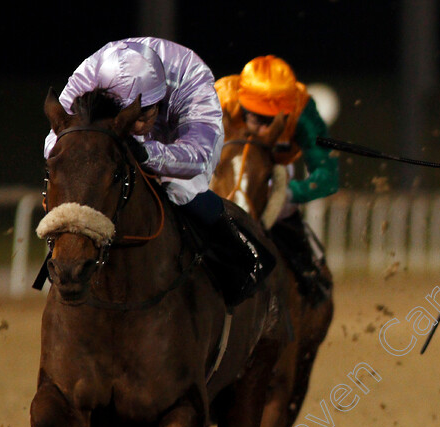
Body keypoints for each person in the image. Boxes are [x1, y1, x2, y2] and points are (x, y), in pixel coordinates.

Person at [43, 37, 274, 307]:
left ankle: (243, 258)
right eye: (131, 116)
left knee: (181, 189)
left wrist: (148, 153)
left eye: (144, 114)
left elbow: (199, 156)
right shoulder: (90, 75)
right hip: (109, 132)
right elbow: (56, 141)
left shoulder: (192, 77)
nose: (138, 125)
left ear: (160, 100)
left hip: (180, 137)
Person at [214, 55, 338, 304]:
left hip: (274, 174)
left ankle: (310, 280)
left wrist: (289, 194)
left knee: (285, 214)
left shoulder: (303, 113)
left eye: (269, 120)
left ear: (286, 113)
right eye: (252, 115)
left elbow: (328, 176)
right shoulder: (220, 98)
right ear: (241, 100)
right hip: (219, 171)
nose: (259, 128)